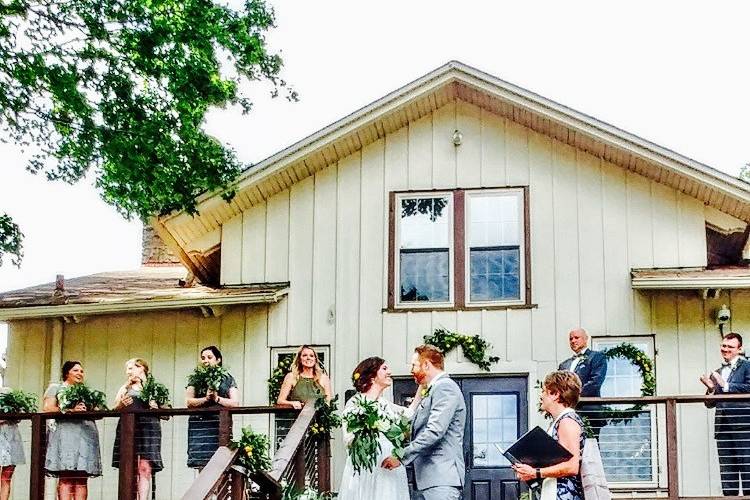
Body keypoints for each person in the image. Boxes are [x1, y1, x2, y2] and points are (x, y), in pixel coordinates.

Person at [382, 344, 466, 500]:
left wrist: (400, 456)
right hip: (428, 480)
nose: (411, 370)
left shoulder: (445, 388)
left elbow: (434, 431)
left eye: (414, 365)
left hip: (441, 480)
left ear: (426, 365)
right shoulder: (432, 390)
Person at [338, 356, 422, 500]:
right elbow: (348, 438)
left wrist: (422, 384)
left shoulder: (384, 404)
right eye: (384, 368)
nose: (389, 372)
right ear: (371, 377)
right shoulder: (356, 402)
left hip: (388, 464)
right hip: (368, 466)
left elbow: (408, 413)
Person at [513, 371, 585, 500]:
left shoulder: (567, 421)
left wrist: (535, 473)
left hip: (564, 495)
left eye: (544, 391)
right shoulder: (559, 421)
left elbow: (572, 466)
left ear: (556, 394)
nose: (541, 396)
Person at [43, 361, 102, 500]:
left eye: (81, 371)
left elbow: (99, 412)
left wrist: (90, 409)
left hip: (86, 435)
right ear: (66, 373)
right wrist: (70, 410)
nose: (80, 373)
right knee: (66, 475)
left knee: (82, 477)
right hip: (66, 435)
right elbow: (47, 408)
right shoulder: (57, 388)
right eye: (76, 370)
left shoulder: (86, 391)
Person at [700, 332, 750, 496]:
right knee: (728, 477)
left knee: (748, 471)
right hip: (723, 429)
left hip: (744, 428)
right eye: (724, 346)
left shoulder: (747, 366)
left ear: (739, 349)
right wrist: (711, 389)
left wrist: (726, 385)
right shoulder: (718, 371)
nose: (725, 349)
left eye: (730, 346)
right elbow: (709, 403)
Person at [111, 358, 164, 499]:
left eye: (131, 368)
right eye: (127, 369)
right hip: (129, 428)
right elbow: (114, 408)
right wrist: (121, 405)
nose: (128, 372)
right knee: (129, 466)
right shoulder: (125, 388)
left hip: (149, 429)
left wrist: (157, 408)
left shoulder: (154, 388)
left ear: (141, 368)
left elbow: (166, 413)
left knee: (144, 467)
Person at [185, 346, 240, 469]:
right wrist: (205, 399)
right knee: (202, 462)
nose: (205, 361)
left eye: (209, 357)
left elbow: (235, 402)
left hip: (219, 424)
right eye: (203, 358)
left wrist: (217, 399)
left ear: (218, 360)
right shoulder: (195, 378)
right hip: (200, 425)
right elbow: (189, 401)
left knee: (219, 461)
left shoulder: (227, 378)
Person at [558, 328, 607, 440]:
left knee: (591, 446)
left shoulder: (596, 357)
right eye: (570, 339)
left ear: (585, 339)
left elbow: (595, 382)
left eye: (576, 338)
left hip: (589, 410)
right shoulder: (564, 365)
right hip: (569, 412)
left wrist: (574, 396)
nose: (573, 341)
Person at [0, 388, 25, 500]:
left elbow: (20, 415)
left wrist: (13, 414)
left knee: (7, 476)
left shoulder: (8, 392)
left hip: (11, 436)